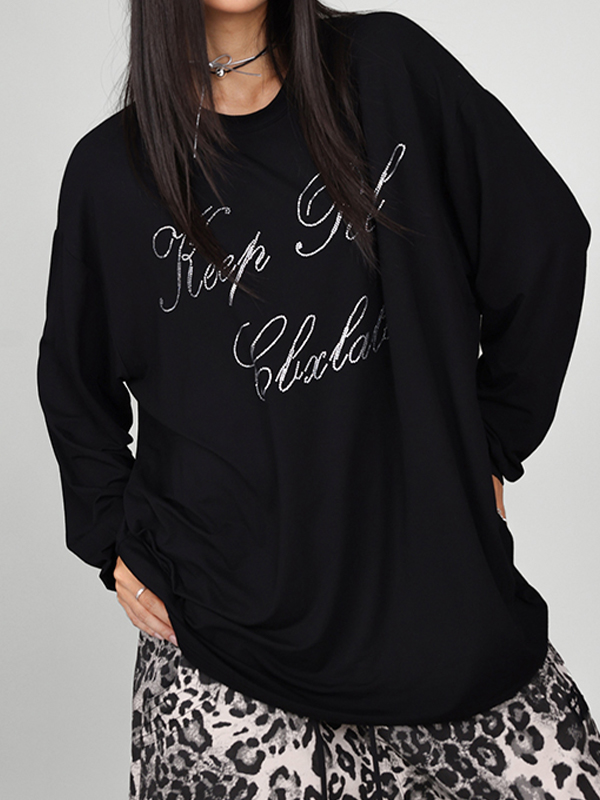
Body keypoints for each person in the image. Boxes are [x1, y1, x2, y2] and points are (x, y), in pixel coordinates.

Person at [37, 1, 599, 798]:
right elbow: (74, 382)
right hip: (223, 658)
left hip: (439, 630)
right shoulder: (112, 172)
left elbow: (542, 239)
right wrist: (110, 538)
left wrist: (493, 437)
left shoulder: (386, 70)